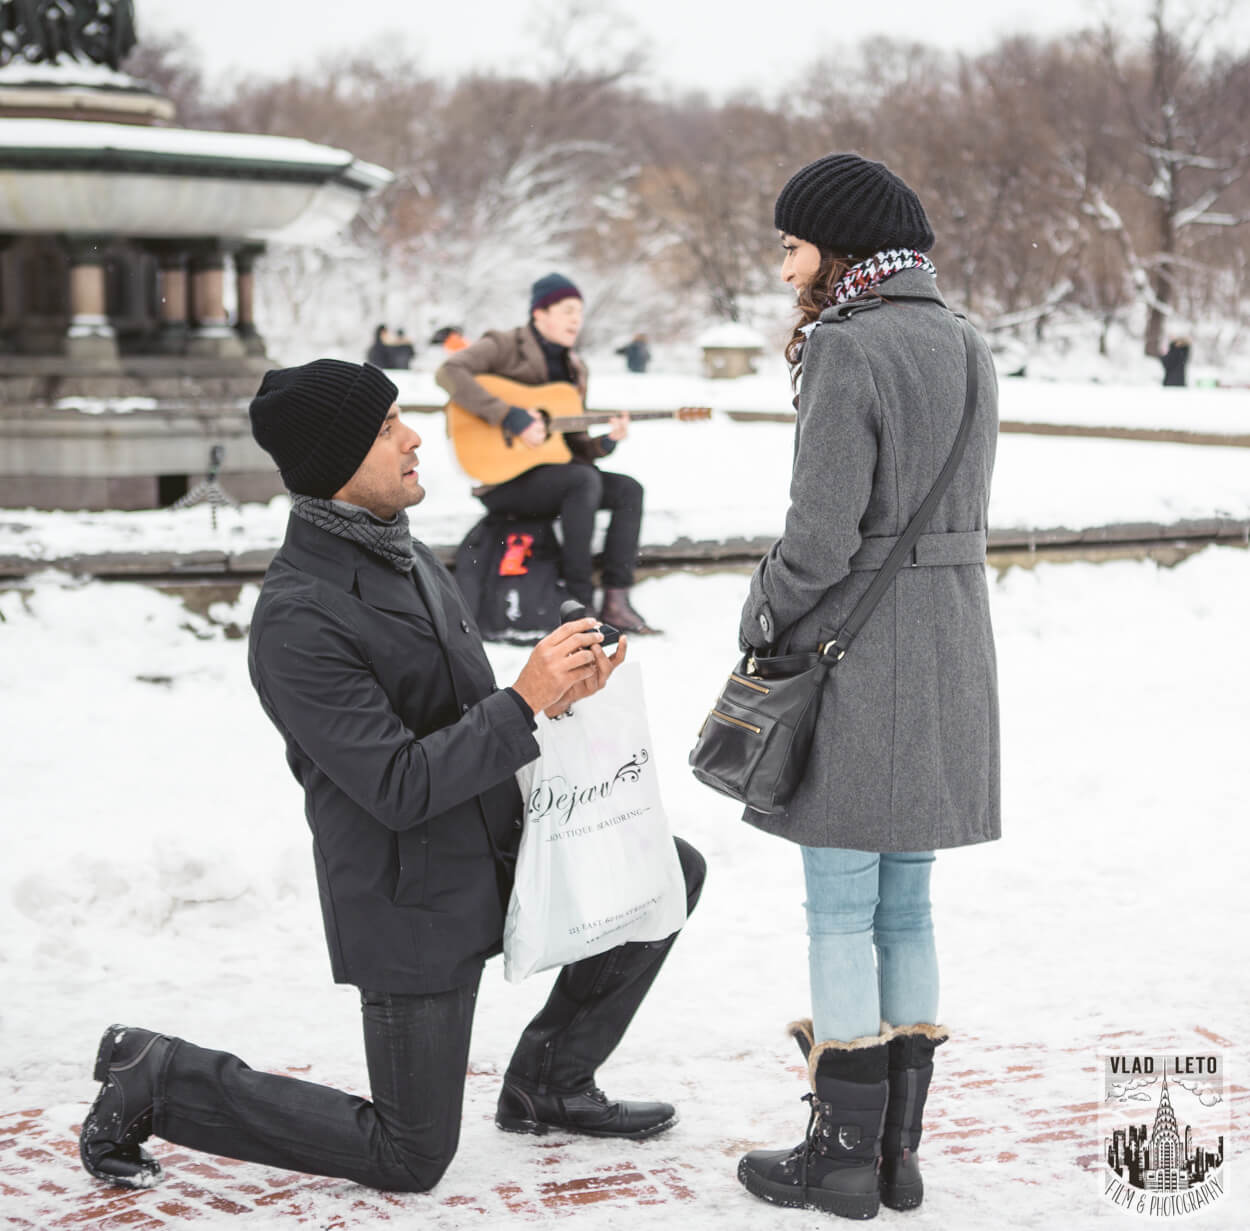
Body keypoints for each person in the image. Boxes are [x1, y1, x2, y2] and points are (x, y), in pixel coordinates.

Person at [79, 358, 705, 1194]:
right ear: (336, 460)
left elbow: (463, 707)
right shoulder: (298, 615)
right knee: (409, 1154)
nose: (415, 438)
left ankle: (548, 1079)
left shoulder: (399, 554)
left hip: (494, 849)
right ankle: (158, 1076)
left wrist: (554, 691)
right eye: (385, 428)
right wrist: (523, 701)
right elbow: (398, 784)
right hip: (411, 899)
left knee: (666, 871)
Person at [732, 155, 1001, 1220]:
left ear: (836, 248)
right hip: (950, 654)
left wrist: (757, 617)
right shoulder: (968, 341)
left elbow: (819, 540)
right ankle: (896, 1157)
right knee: (907, 907)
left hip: (855, 650)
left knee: (838, 911)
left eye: (791, 242)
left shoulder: (846, 349)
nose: (783, 260)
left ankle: (839, 1160)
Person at [435, 273, 656, 634]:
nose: (575, 320)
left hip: (556, 478)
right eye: (567, 310)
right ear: (540, 313)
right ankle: (578, 603)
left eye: (580, 313)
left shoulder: (575, 368)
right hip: (502, 481)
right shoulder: (504, 345)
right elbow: (448, 372)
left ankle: (617, 600)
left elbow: (572, 446)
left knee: (628, 490)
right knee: (581, 481)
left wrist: (606, 442)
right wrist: (509, 415)